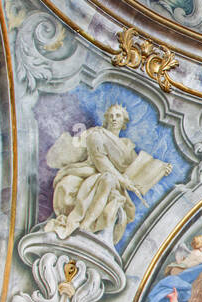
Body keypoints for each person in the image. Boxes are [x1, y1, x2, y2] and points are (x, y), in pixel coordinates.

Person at [44, 104, 172, 245]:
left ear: (124, 122)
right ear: (106, 119)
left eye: (118, 116)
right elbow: (101, 163)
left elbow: (139, 167)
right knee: (107, 179)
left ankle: (87, 223)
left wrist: (160, 169)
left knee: (109, 181)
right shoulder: (97, 134)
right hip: (91, 172)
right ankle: (84, 223)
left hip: (113, 179)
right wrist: (123, 181)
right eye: (111, 116)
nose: (114, 119)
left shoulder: (127, 146)